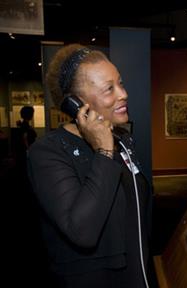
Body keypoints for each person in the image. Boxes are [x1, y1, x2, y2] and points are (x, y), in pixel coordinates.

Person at [27, 44, 155, 288]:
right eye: (109, 89)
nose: (123, 94)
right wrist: (103, 152)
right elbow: (82, 230)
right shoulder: (47, 152)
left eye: (120, 83)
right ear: (75, 103)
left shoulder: (123, 139)